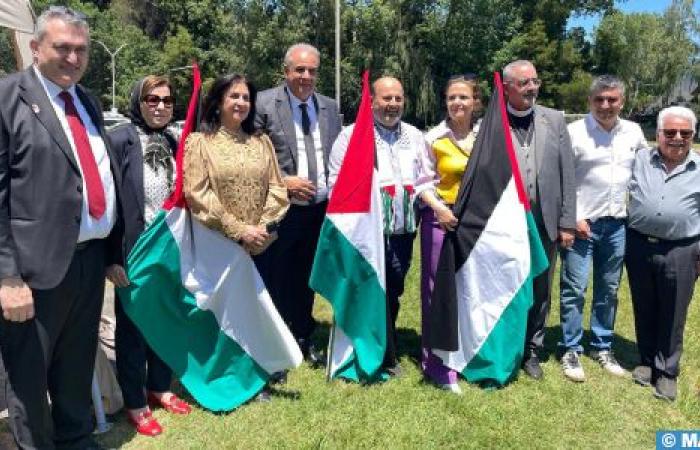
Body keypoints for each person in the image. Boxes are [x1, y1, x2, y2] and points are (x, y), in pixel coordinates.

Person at [0, 6, 123, 449]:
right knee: (29, 375)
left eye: (81, 49)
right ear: (35, 48)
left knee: (76, 362)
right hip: (33, 271)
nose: (73, 58)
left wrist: (110, 254)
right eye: (62, 48)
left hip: (88, 262)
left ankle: (76, 438)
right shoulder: (6, 97)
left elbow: (97, 175)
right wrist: (7, 275)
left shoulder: (85, 98)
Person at [183, 73, 289, 399]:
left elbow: (277, 188)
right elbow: (198, 194)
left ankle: (263, 368)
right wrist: (239, 230)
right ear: (217, 103)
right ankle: (239, 376)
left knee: (259, 307)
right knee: (232, 313)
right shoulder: (200, 143)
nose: (241, 103)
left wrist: (263, 228)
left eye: (245, 97)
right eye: (234, 96)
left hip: (262, 243)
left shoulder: (262, 143)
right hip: (220, 243)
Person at [108, 75, 191, 437]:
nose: (160, 106)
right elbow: (108, 204)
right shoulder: (120, 140)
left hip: (170, 250)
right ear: (137, 102)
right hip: (134, 250)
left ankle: (159, 386)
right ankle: (135, 400)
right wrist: (111, 257)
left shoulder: (175, 140)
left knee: (166, 320)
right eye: (151, 99)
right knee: (133, 328)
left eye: (167, 100)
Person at [254, 43, 342, 372]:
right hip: (281, 210)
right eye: (299, 70)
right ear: (286, 70)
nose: (305, 76)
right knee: (276, 278)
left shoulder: (330, 108)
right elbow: (251, 156)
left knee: (307, 278)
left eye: (312, 71)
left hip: (320, 210)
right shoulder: (263, 103)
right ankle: (276, 345)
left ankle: (303, 338)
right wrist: (283, 181)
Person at [329, 76, 425, 377]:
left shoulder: (415, 136)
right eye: (386, 99)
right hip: (365, 235)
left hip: (402, 230)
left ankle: (385, 340)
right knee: (367, 289)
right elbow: (336, 184)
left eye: (397, 99)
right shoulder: (351, 137)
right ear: (372, 101)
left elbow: (425, 179)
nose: (392, 105)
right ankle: (371, 349)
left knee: (393, 289)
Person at [558, 75, 647, 382]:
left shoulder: (634, 132)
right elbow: (560, 179)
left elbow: (644, 174)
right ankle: (570, 348)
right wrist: (572, 218)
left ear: (622, 101)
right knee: (574, 289)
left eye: (612, 100)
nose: (606, 105)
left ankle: (601, 345)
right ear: (590, 102)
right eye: (600, 100)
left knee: (608, 289)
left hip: (618, 226)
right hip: (582, 224)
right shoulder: (573, 132)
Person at [501, 60, 576, 380]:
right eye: (523, 83)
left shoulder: (555, 120)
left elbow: (568, 175)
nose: (532, 87)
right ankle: (508, 345)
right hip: (505, 223)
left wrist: (566, 222)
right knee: (508, 285)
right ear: (506, 88)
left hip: (544, 222)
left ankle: (533, 348)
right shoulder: (492, 120)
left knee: (540, 287)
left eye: (535, 81)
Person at [625, 106, 698, 402]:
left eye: (685, 133)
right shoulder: (641, 159)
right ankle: (646, 360)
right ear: (658, 135)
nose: (677, 138)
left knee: (674, 311)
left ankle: (667, 371)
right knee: (644, 305)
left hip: (681, 249)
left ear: (693, 136)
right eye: (670, 132)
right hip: (639, 243)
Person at [417, 74, 481, 393]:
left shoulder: (487, 136)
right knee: (435, 288)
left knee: (470, 287)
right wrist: (440, 209)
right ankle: (434, 362)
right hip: (440, 218)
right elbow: (422, 181)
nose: (457, 102)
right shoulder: (433, 137)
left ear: (476, 102)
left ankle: (466, 353)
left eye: (464, 97)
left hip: (475, 223)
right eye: (452, 97)